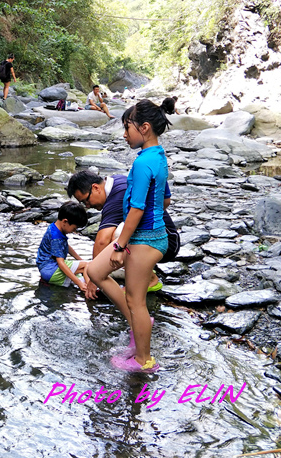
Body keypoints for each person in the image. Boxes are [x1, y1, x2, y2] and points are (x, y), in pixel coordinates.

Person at [85, 100, 171, 373]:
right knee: (95, 271)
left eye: (127, 128)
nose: (124, 134)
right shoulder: (156, 156)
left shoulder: (146, 162)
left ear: (144, 128)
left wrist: (122, 243)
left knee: (136, 300)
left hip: (145, 240)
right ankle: (139, 325)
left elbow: (137, 207)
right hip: (143, 235)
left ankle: (143, 360)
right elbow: (165, 199)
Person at [66, 170, 181, 298]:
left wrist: (94, 279)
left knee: (117, 235)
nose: (87, 206)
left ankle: (150, 279)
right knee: (119, 237)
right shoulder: (116, 181)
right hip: (161, 238)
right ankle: (141, 270)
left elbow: (102, 240)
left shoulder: (116, 197)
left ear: (95, 187)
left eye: (86, 200)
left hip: (167, 243)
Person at [36, 202, 91, 294]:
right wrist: (79, 282)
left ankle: (83, 287)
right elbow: (61, 263)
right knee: (88, 266)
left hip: (45, 269)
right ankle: (90, 290)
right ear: (65, 221)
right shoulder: (57, 238)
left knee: (81, 275)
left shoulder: (54, 227)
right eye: (74, 228)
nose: (74, 231)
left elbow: (65, 246)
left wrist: (80, 260)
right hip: (52, 270)